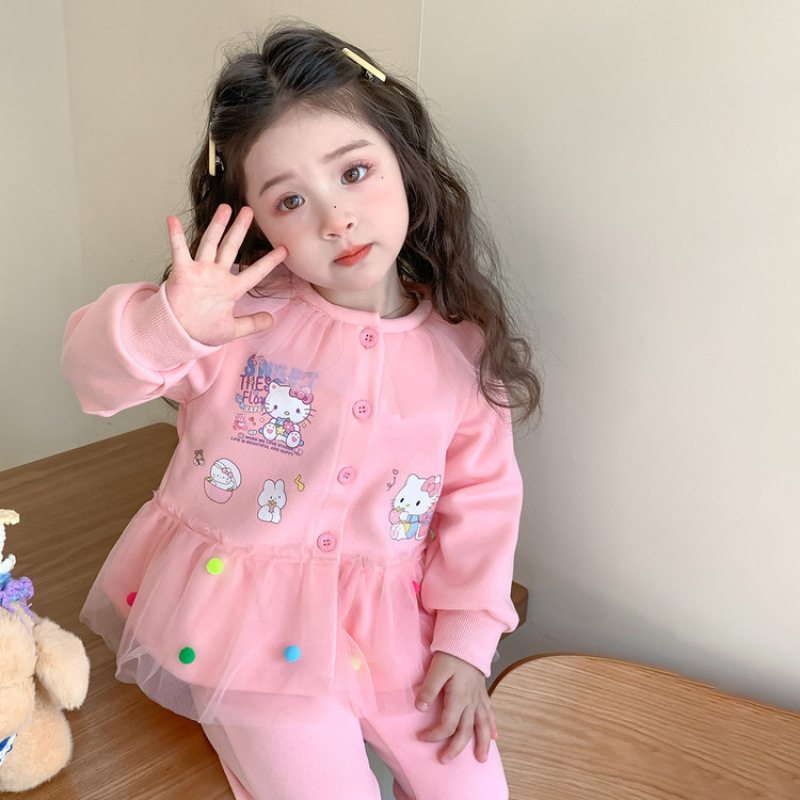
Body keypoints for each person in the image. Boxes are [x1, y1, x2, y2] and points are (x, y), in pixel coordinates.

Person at [62, 23, 540, 800]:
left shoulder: (462, 347)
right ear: (254, 219)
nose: (335, 218)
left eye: (354, 171)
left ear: (406, 164)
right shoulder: (237, 320)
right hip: (244, 623)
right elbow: (94, 378)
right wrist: (172, 322)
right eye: (290, 199)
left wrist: (465, 643)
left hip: (397, 631)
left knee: (476, 790)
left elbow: (482, 504)